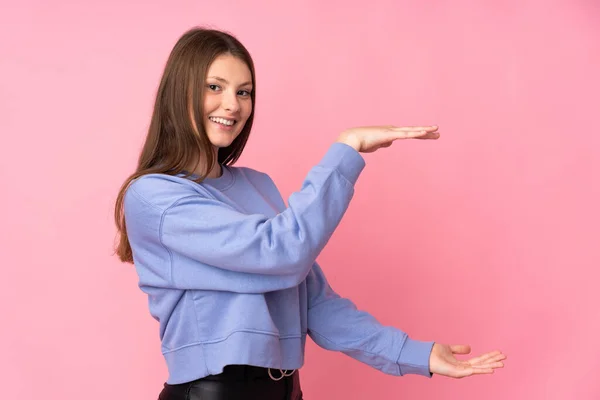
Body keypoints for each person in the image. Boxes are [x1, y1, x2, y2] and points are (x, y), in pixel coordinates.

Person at [114, 27, 506, 400]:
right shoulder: (154, 196)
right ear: (178, 93)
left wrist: (412, 353)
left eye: (244, 92)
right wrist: (346, 150)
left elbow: (312, 300)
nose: (232, 105)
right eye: (214, 87)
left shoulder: (256, 186)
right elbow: (281, 251)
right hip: (213, 392)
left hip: (286, 389)